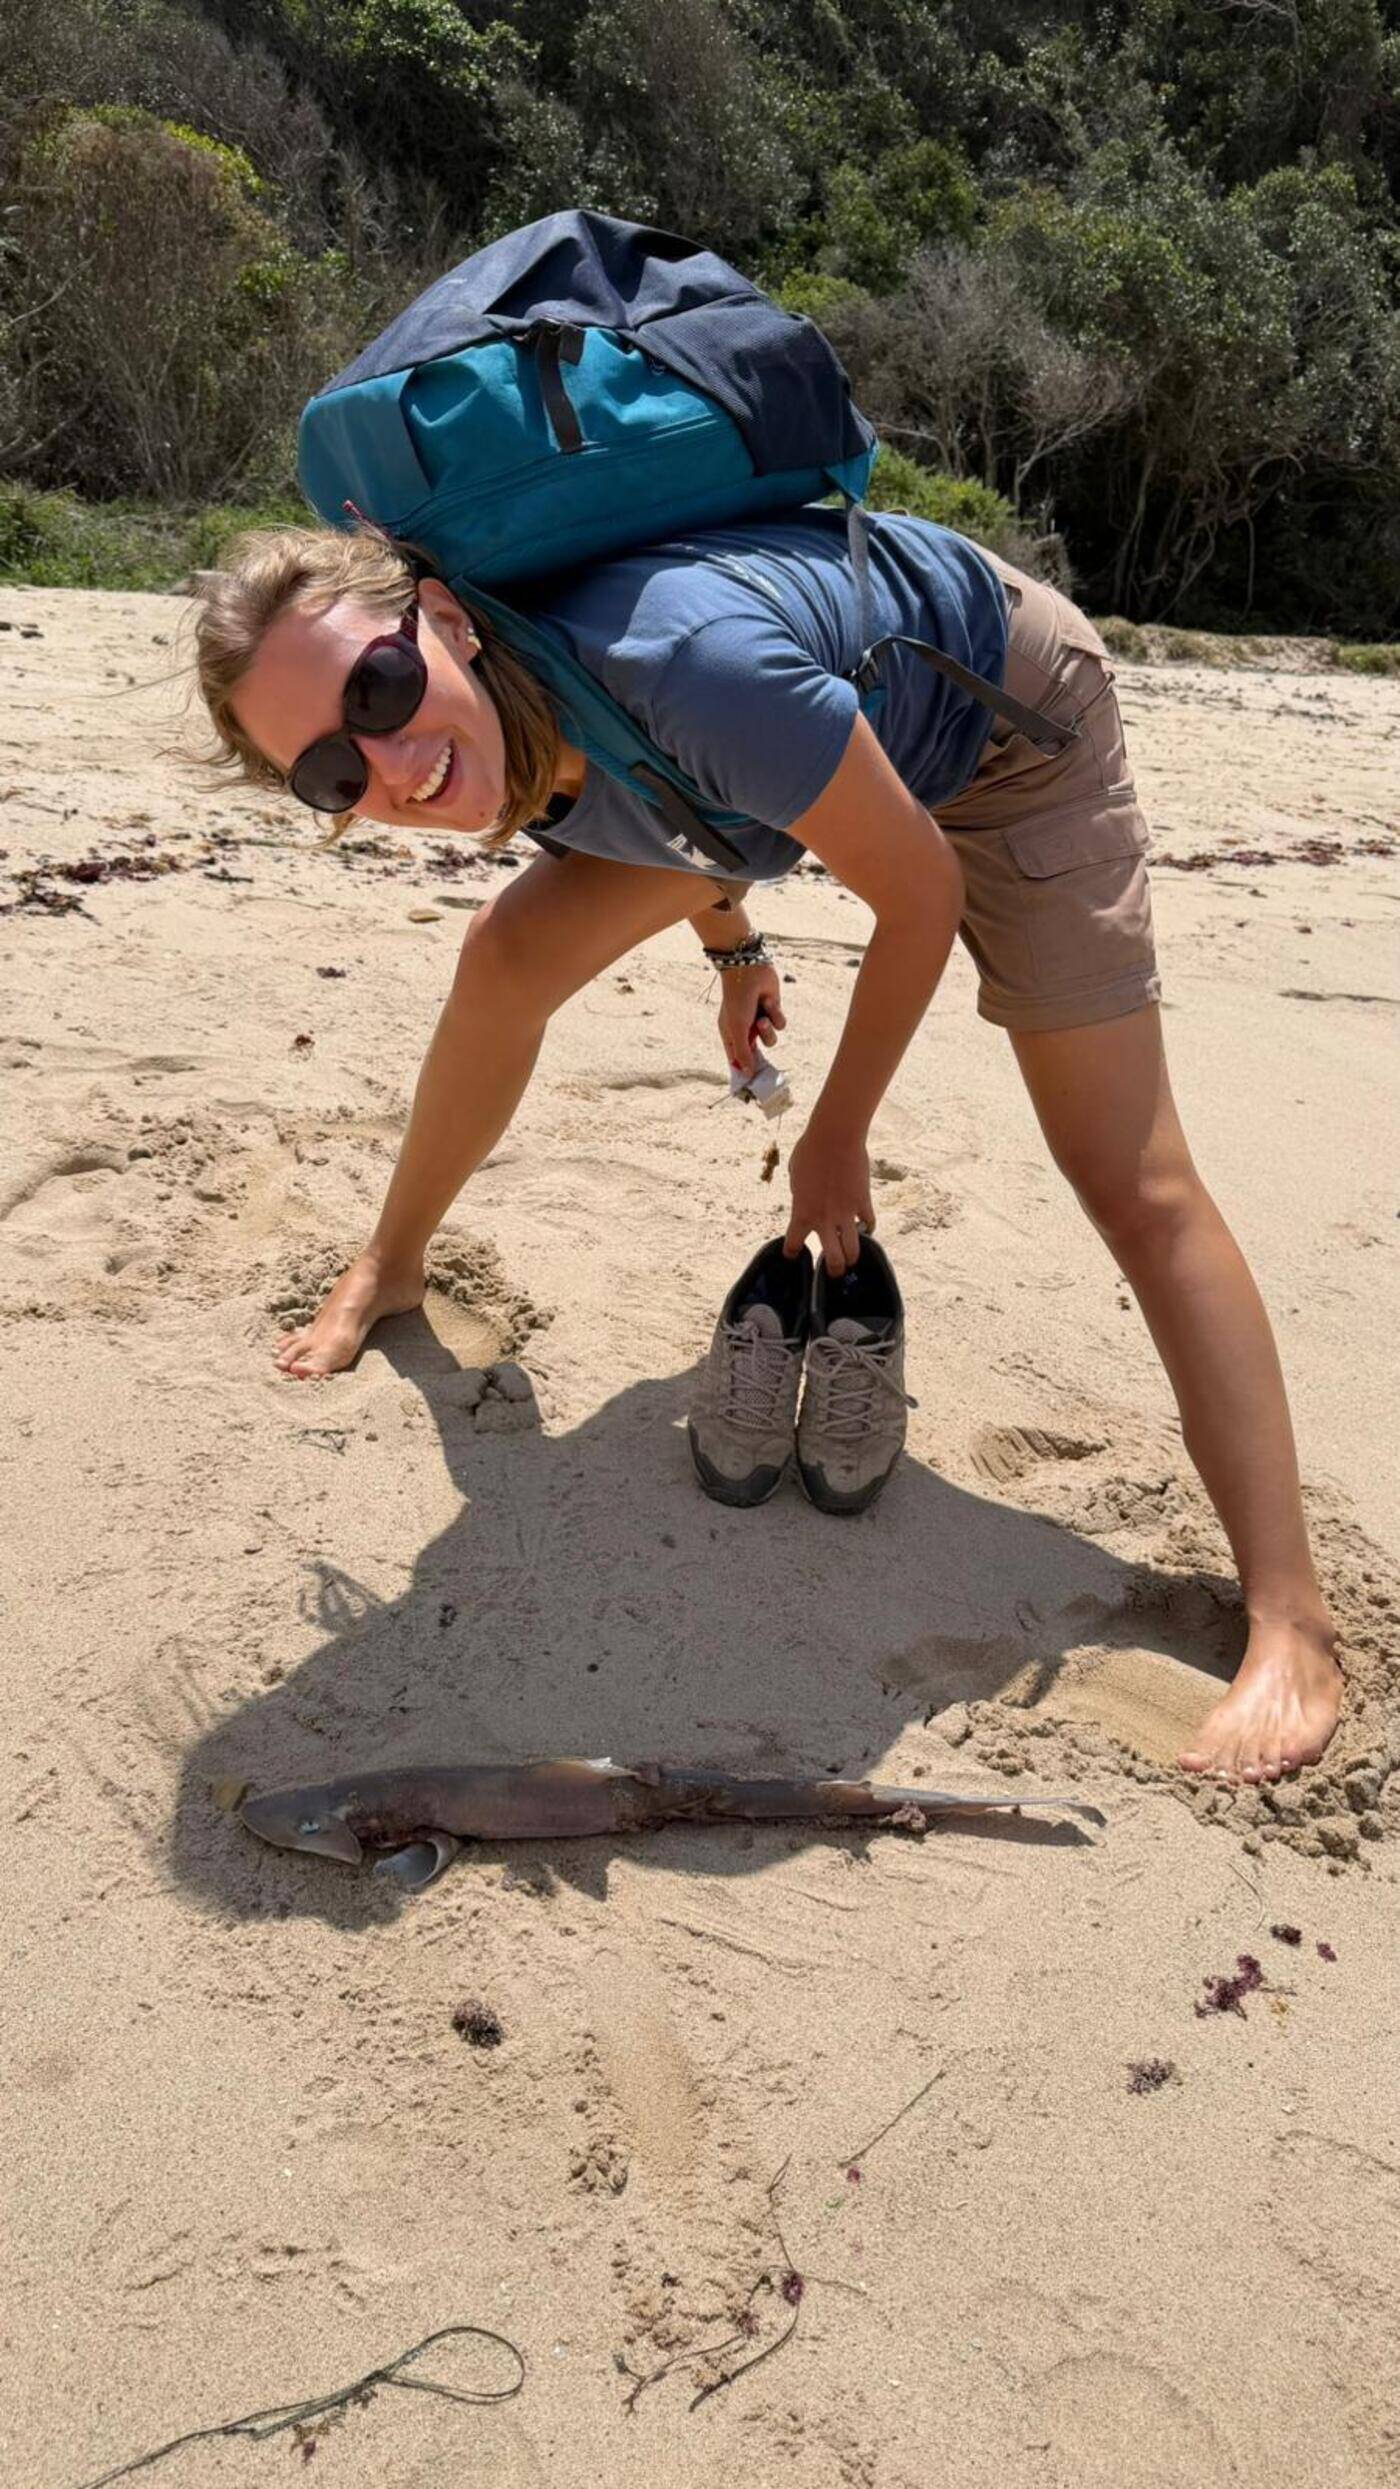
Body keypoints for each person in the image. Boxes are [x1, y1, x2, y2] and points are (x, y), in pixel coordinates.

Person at [191, 510, 1341, 1786]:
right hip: (795, 737)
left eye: (379, 687)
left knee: (1127, 1176)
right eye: (331, 771)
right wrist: (732, 941)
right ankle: (393, 1260)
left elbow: (916, 886)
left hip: (1001, 724)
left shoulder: (691, 669)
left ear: (447, 621)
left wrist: (835, 1135)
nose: (390, 765)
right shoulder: (502, 718)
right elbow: (651, 792)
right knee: (504, 957)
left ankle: (1290, 1622)